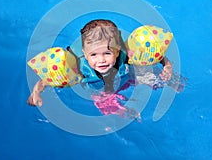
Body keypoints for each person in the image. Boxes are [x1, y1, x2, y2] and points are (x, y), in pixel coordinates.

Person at [27, 19, 174, 118]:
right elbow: (46, 80)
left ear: (117, 51)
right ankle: (120, 110)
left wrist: (167, 66)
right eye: (94, 55)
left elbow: (156, 56)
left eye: (107, 53)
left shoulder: (124, 53)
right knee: (101, 99)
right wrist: (36, 92)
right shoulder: (78, 67)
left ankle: (169, 83)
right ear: (85, 54)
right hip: (97, 85)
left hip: (122, 75)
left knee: (145, 72)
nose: (101, 60)